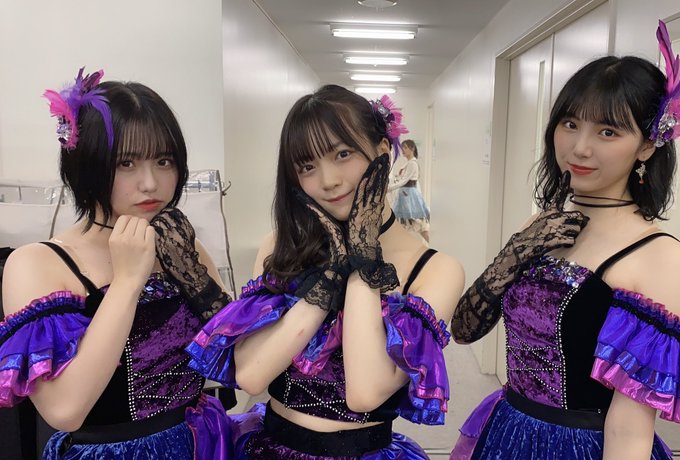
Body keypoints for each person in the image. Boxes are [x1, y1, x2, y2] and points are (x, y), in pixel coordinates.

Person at [185, 84, 464, 458]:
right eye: (307, 166)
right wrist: (330, 275)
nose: (328, 180)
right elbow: (251, 375)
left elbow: (365, 393)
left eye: (343, 154)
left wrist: (363, 260)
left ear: (383, 152)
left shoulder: (436, 269)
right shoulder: (279, 246)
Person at [449, 21, 680, 460]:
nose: (579, 148)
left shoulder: (661, 257)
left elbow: (630, 429)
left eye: (608, 132)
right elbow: (463, 330)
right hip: (506, 428)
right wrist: (517, 249)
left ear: (647, 146)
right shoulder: (542, 224)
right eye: (570, 124)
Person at [0, 68, 234, 459]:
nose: (150, 183)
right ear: (87, 163)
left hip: (202, 441)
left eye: (164, 161)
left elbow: (232, 351)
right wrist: (127, 282)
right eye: (126, 163)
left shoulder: (179, 243)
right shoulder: (37, 263)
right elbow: (65, 410)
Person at [389, 139, 431, 242]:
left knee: (418, 223)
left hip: (409, 196)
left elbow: (404, 181)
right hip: (405, 195)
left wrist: (389, 188)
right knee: (404, 224)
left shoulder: (412, 164)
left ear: (412, 148)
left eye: (405, 147)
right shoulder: (408, 163)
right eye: (402, 147)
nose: (403, 150)